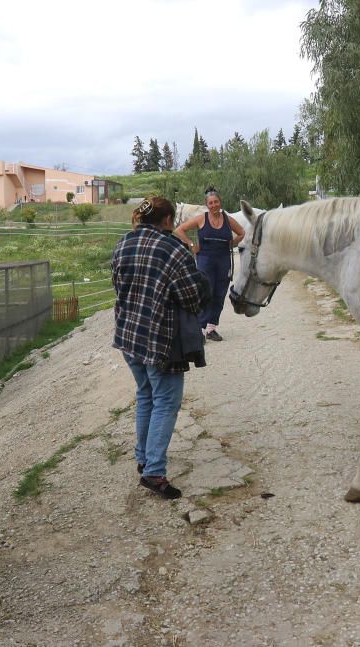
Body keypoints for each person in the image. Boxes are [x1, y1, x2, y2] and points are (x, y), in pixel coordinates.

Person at [112, 196, 209, 499]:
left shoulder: (123, 243)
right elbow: (192, 298)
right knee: (166, 402)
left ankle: (143, 458)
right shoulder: (173, 250)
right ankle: (154, 471)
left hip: (129, 336)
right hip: (160, 340)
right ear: (168, 221)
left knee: (146, 396)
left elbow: (118, 285)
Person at [174, 186, 245, 341]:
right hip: (205, 260)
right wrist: (192, 245)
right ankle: (199, 329)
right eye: (211, 203)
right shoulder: (201, 219)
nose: (214, 205)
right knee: (206, 293)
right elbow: (179, 230)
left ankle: (211, 328)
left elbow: (242, 233)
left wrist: (232, 243)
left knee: (219, 294)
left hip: (224, 260)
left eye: (216, 202)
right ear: (207, 205)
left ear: (220, 202)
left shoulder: (227, 219)